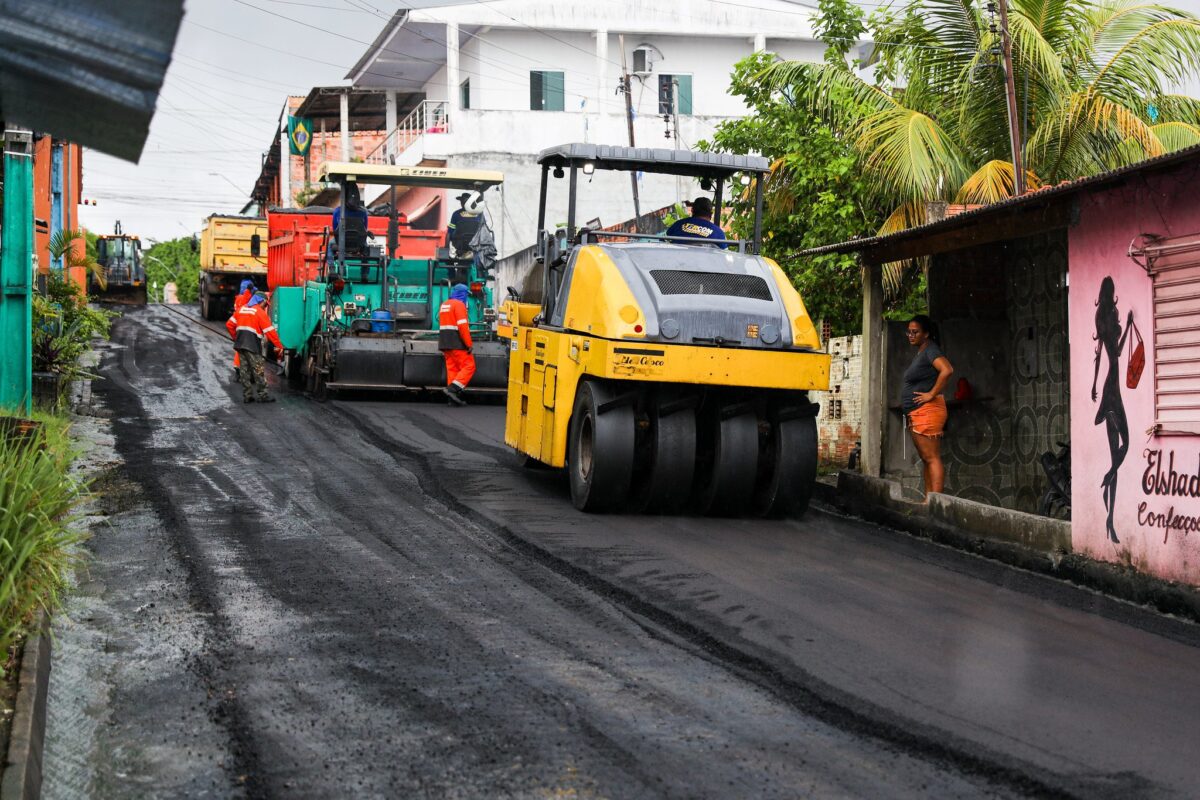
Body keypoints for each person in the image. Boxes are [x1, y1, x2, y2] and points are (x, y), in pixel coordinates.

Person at [1091, 276, 1132, 544]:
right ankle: (1108, 475)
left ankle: (1109, 520)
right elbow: (1114, 353)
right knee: (1124, 444)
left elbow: (1100, 355)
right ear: (1111, 292)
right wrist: (1127, 327)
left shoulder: (1103, 317)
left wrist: (1094, 385)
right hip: (1112, 389)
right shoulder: (1110, 317)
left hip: (1109, 386)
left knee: (1119, 447)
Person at [901, 314, 954, 499]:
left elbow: (947, 370)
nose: (910, 335)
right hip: (920, 413)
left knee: (932, 458)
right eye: (909, 331)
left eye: (915, 332)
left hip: (928, 411)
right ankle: (928, 500)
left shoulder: (931, 350)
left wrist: (930, 394)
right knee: (927, 459)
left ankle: (936, 503)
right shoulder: (923, 351)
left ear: (926, 334)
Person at [225, 291, 283, 404]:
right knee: (258, 370)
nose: (265, 306)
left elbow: (229, 325)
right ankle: (263, 395)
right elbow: (270, 331)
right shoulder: (259, 312)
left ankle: (247, 396)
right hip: (252, 345)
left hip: (240, 344)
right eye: (265, 304)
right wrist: (279, 346)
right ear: (261, 301)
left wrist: (235, 337)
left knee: (244, 371)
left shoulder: (241, 309)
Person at [438, 283, 475, 406]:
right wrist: (468, 344)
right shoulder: (459, 305)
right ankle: (452, 390)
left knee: (453, 369)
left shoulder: (445, 304)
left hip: (445, 342)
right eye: (466, 295)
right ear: (462, 294)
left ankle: (452, 399)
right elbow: (463, 326)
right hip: (457, 342)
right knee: (469, 366)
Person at [230, 279, 257, 375]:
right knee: (244, 349)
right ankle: (241, 369)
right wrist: (249, 291)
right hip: (243, 325)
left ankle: (238, 367)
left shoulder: (238, 298)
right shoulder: (243, 298)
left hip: (238, 325)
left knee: (240, 348)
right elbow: (246, 303)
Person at [447, 192, 485, 257]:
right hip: (476, 243)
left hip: (459, 244)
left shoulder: (456, 214)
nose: (461, 203)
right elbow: (484, 230)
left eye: (462, 201)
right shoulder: (479, 214)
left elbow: (450, 232)